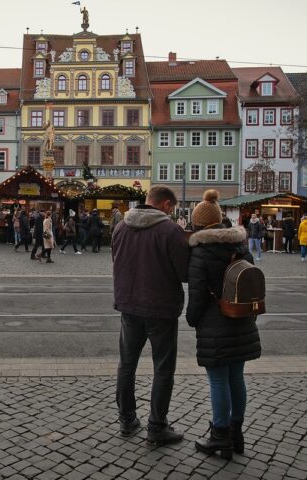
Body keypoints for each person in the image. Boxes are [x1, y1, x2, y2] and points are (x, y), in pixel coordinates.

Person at [113, 185, 190, 446]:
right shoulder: (170, 230)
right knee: (163, 368)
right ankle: (156, 428)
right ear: (166, 205)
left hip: (129, 305)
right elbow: (185, 273)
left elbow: (116, 260)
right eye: (173, 207)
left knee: (127, 365)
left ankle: (126, 419)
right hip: (160, 308)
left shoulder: (121, 227)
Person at [186, 189, 260, 459]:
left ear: (199, 224)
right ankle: (236, 433)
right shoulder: (239, 246)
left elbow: (196, 296)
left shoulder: (201, 253)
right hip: (241, 319)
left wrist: (191, 319)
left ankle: (219, 435)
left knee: (218, 380)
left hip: (214, 323)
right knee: (236, 377)